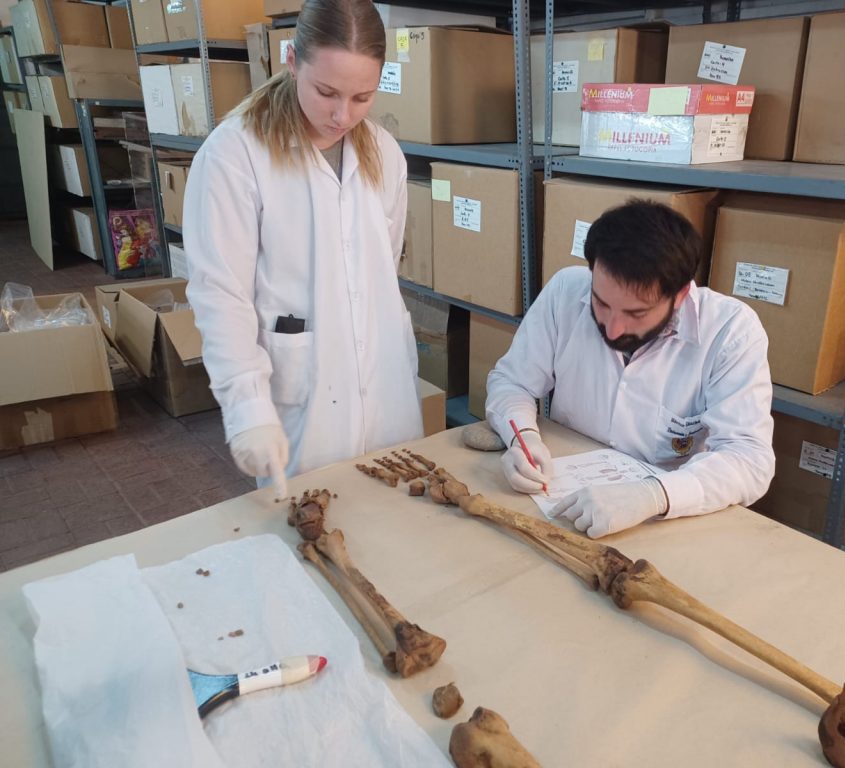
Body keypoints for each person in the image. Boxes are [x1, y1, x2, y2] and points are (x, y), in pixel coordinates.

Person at [183, 0, 422, 500]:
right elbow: (220, 294)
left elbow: (382, 270)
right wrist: (246, 405)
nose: (342, 115)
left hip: (388, 395)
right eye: (326, 92)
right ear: (292, 60)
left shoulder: (385, 153)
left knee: (401, 521)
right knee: (314, 530)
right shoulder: (235, 155)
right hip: (304, 407)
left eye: (362, 97)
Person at [486, 200, 775, 538]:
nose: (613, 330)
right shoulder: (566, 290)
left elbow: (749, 458)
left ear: (681, 295)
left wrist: (654, 494)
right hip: (562, 492)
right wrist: (523, 437)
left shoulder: (730, 331)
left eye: (636, 313)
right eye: (601, 303)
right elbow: (512, 382)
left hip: (666, 520)